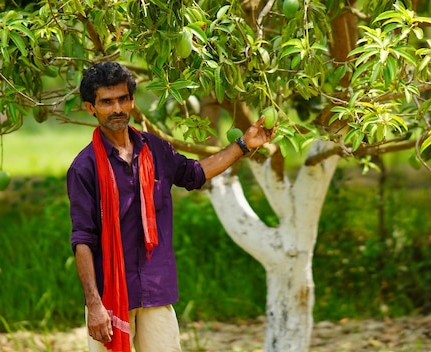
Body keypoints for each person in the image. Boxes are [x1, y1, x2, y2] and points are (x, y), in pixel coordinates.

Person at [67, 61, 275, 352]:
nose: (117, 109)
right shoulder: (84, 168)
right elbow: (83, 240)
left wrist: (243, 144)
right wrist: (93, 304)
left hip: (155, 288)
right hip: (111, 296)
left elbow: (195, 174)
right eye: (107, 102)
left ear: (131, 100)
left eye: (123, 99)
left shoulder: (154, 149)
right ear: (91, 107)